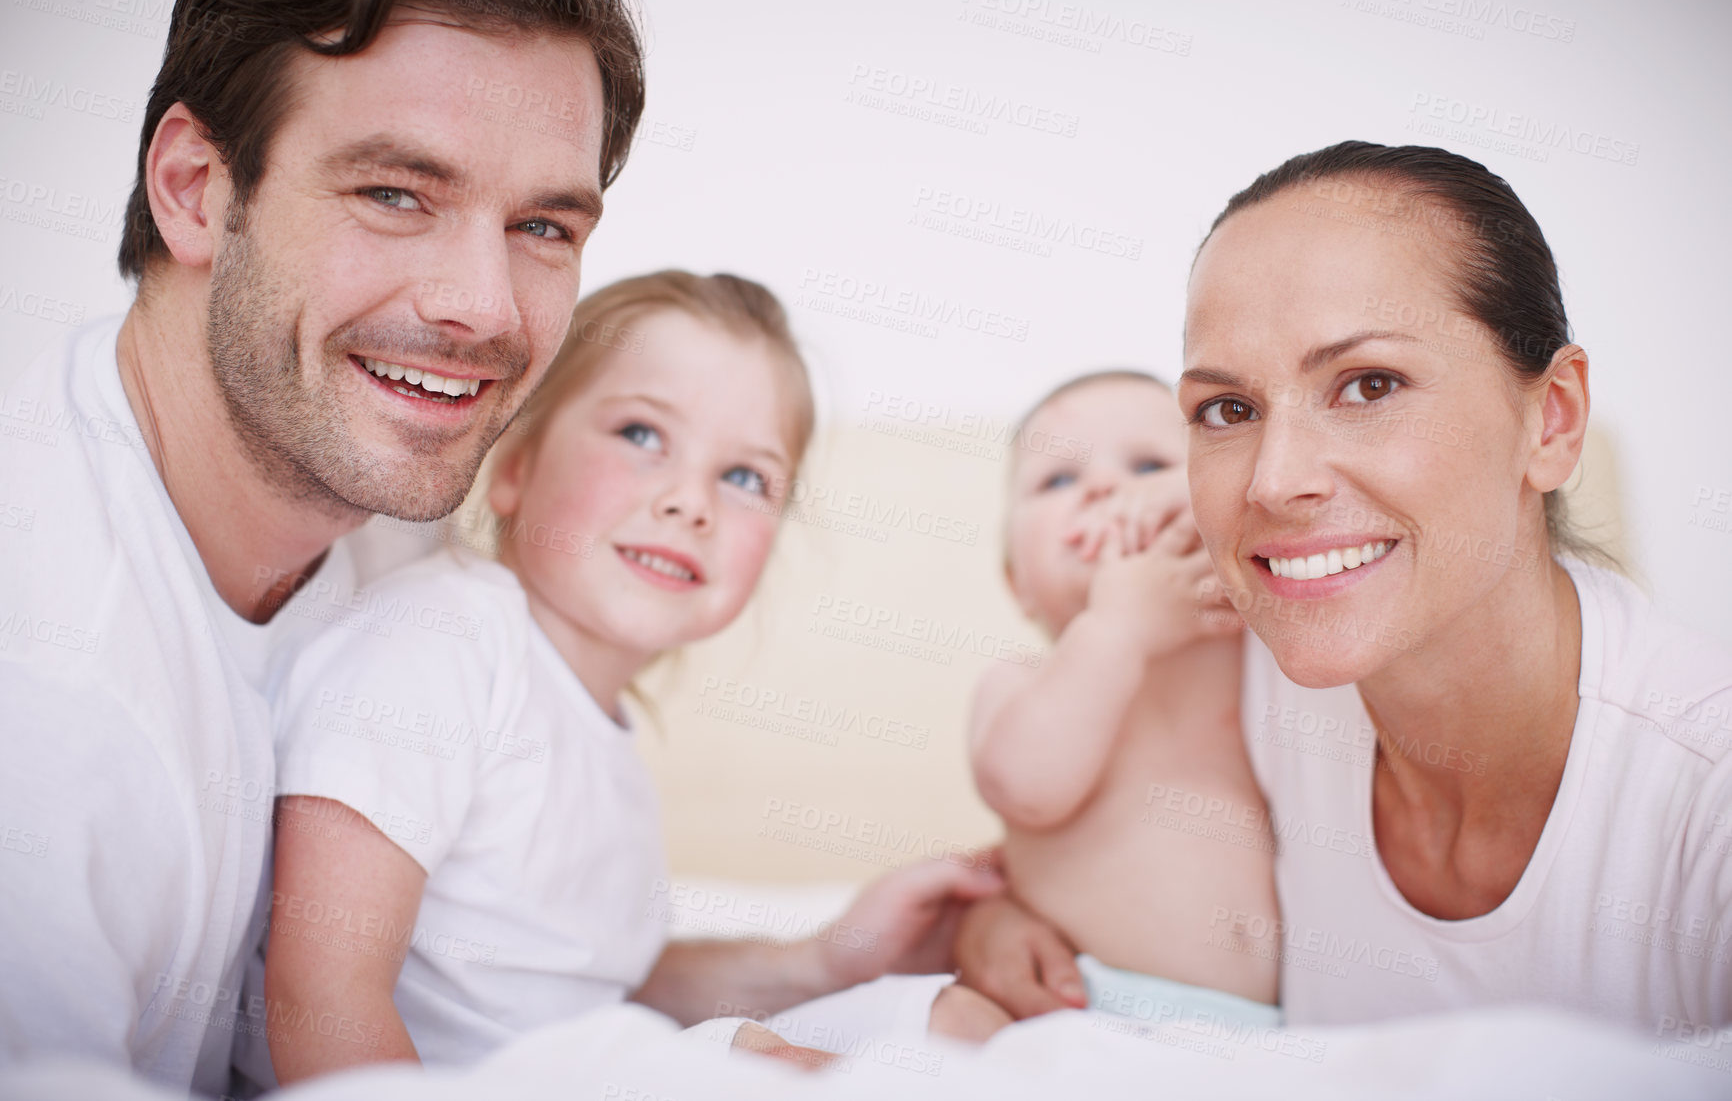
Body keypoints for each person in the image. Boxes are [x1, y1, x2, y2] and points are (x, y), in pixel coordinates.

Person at [0, 0, 645, 1093]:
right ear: (196, 186)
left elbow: (494, 978)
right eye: (395, 194)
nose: (483, 308)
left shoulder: (388, 518)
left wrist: (807, 963)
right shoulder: (41, 680)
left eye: (544, 226)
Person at [955, 141, 1732, 1034]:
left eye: (1369, 385)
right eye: (1229, 410)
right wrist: (994, 922)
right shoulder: (1248, 649)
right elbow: (1091, 823)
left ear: (1551, 420)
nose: (1275, 482)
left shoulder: (1705, 795)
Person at [256, 272, 1003, 1084]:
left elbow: (607, 991)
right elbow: (319, 996)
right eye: (642, 434)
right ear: (511, 466)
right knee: (784, 1069)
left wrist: (834, 957)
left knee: (956, 1025)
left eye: (745, 478)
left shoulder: (602, 738)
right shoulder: (438, 646)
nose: (691, 502)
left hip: (579, 1064)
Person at [968, 371, 1277, 1034]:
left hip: (1280, 1030)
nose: (1107, 488)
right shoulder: (1023, 684)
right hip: (1093, 1007)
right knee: (958, 1026)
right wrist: (1117, 628)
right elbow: (1025, 787)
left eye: (1150, 464)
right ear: (1017, 582)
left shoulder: (1263, 650)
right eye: (1057, 481)